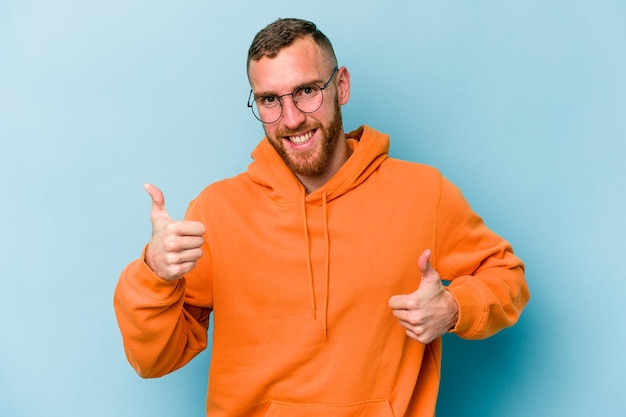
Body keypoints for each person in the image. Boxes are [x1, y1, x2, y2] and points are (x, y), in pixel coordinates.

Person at [114, 18, 529, 417]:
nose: (291, 118)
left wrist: (455, 307)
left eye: (307, 91)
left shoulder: (424, 193)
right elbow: (153, 361)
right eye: (270, 100)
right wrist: (154, 273)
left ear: (341, 86)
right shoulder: (218, 210)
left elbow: (507, 276)